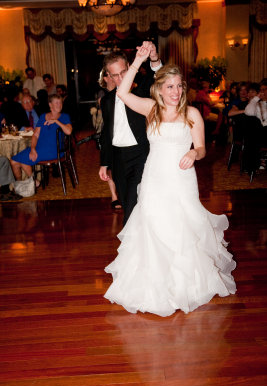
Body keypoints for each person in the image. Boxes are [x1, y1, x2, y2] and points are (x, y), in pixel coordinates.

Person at [103, 43, 237, 317]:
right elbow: (122, 92)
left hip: (181, 179)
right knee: (153, 224)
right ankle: (154, 283)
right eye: (170, 87)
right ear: (159, 90)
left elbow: (201, 148)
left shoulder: (192, 114)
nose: (176, 92)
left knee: (181, 227)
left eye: (179, 86)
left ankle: (184, 284)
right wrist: (138, 60)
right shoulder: (151, 109)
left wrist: (193, 152)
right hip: (154, 178)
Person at [99, 42, 162, 224]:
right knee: (126, 201)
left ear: (129, 68)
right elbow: (106, 134)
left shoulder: (142, 90)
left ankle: (130, 244)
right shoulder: (107, 101)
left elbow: (156, 74)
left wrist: (153, 57)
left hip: (141, 153)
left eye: (123, 73)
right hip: (119, 157)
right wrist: (104, 163)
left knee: (135, 201)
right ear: (108, 76)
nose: (120, 79)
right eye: (115, 75)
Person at [10, 94, 72, 184]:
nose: (59, 105)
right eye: (56, 103)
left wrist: (56, 121)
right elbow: (35, 135)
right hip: (39, 148)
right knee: (13, 161)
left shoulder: (64, 116)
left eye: (60, 103)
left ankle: (32, 182)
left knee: (21, 160)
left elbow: (69, 131)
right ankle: (22, 184)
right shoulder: (43, 116)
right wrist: (32, 148)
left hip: (54, 150)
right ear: (50, 105)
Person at [96, 67, 121, 209]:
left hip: (122, 132)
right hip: (110, 133)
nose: (115, 77)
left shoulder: (123, 90)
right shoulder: (103, 95)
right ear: (105, 78)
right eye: (111, 75)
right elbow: (108, 116)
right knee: (110, 166)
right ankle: (114, 196)